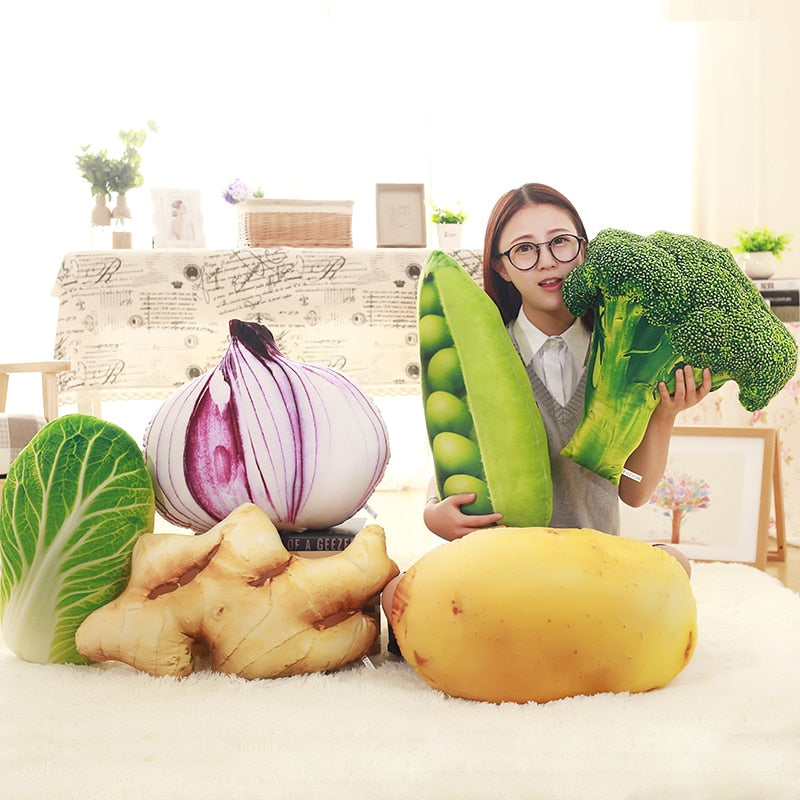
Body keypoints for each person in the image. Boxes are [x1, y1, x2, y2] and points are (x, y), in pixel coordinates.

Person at [381, 183, 708, 646]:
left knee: (674, 562)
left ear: (584, 249)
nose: (547, 260)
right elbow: (447, 488)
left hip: (591, 563)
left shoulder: (622, 355)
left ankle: (518, 639)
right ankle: (567, 638)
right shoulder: (480, 351)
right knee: (395, 589)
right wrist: (438, 518)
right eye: (524, 250)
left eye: (560, 242)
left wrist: (664, 417)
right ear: (501, 266)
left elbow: (634, 495)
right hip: (505, 568)